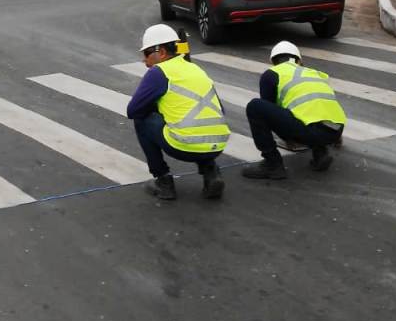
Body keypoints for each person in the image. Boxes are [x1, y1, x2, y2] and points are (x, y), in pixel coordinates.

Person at [125, 24, 230, 200]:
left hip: (184, 147)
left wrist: (157, 107)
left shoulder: (159, 72)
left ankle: (163, 181)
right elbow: (220, 109)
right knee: (197, 122)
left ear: (162, 53)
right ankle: (211, 173)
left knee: (141, 120)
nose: (144, 61)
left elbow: (133, 110)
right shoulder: (196, 69)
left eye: (146, 54)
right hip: (218, 145)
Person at [242, 41, 346, 180]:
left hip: (310, 132)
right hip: (336, 130)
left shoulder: (271, 74)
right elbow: (323, 105)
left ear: (274, 61)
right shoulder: (315, 73)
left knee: (255, 107)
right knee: (310, 114)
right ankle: (320, 152)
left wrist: (288, 137)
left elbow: (270, 111)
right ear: (299, 60)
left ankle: (273, 164)